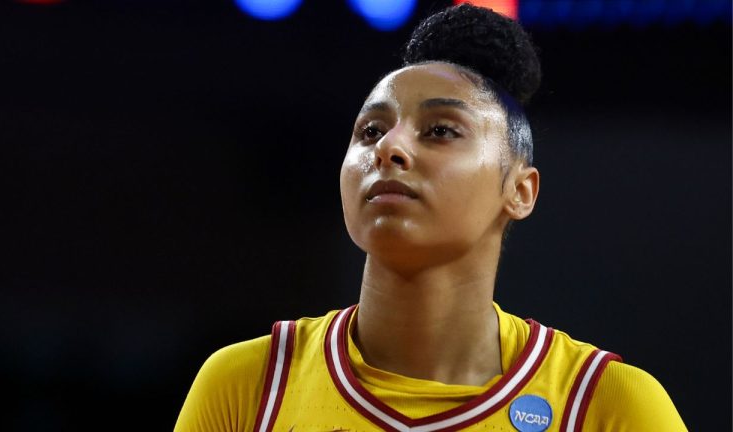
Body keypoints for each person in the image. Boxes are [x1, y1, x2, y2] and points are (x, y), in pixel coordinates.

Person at [175, 4, 686, 431]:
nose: (389, 148)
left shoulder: (607, 404)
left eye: (440, 130)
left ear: (520, 191)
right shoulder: (248, 386)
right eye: (371, 130)